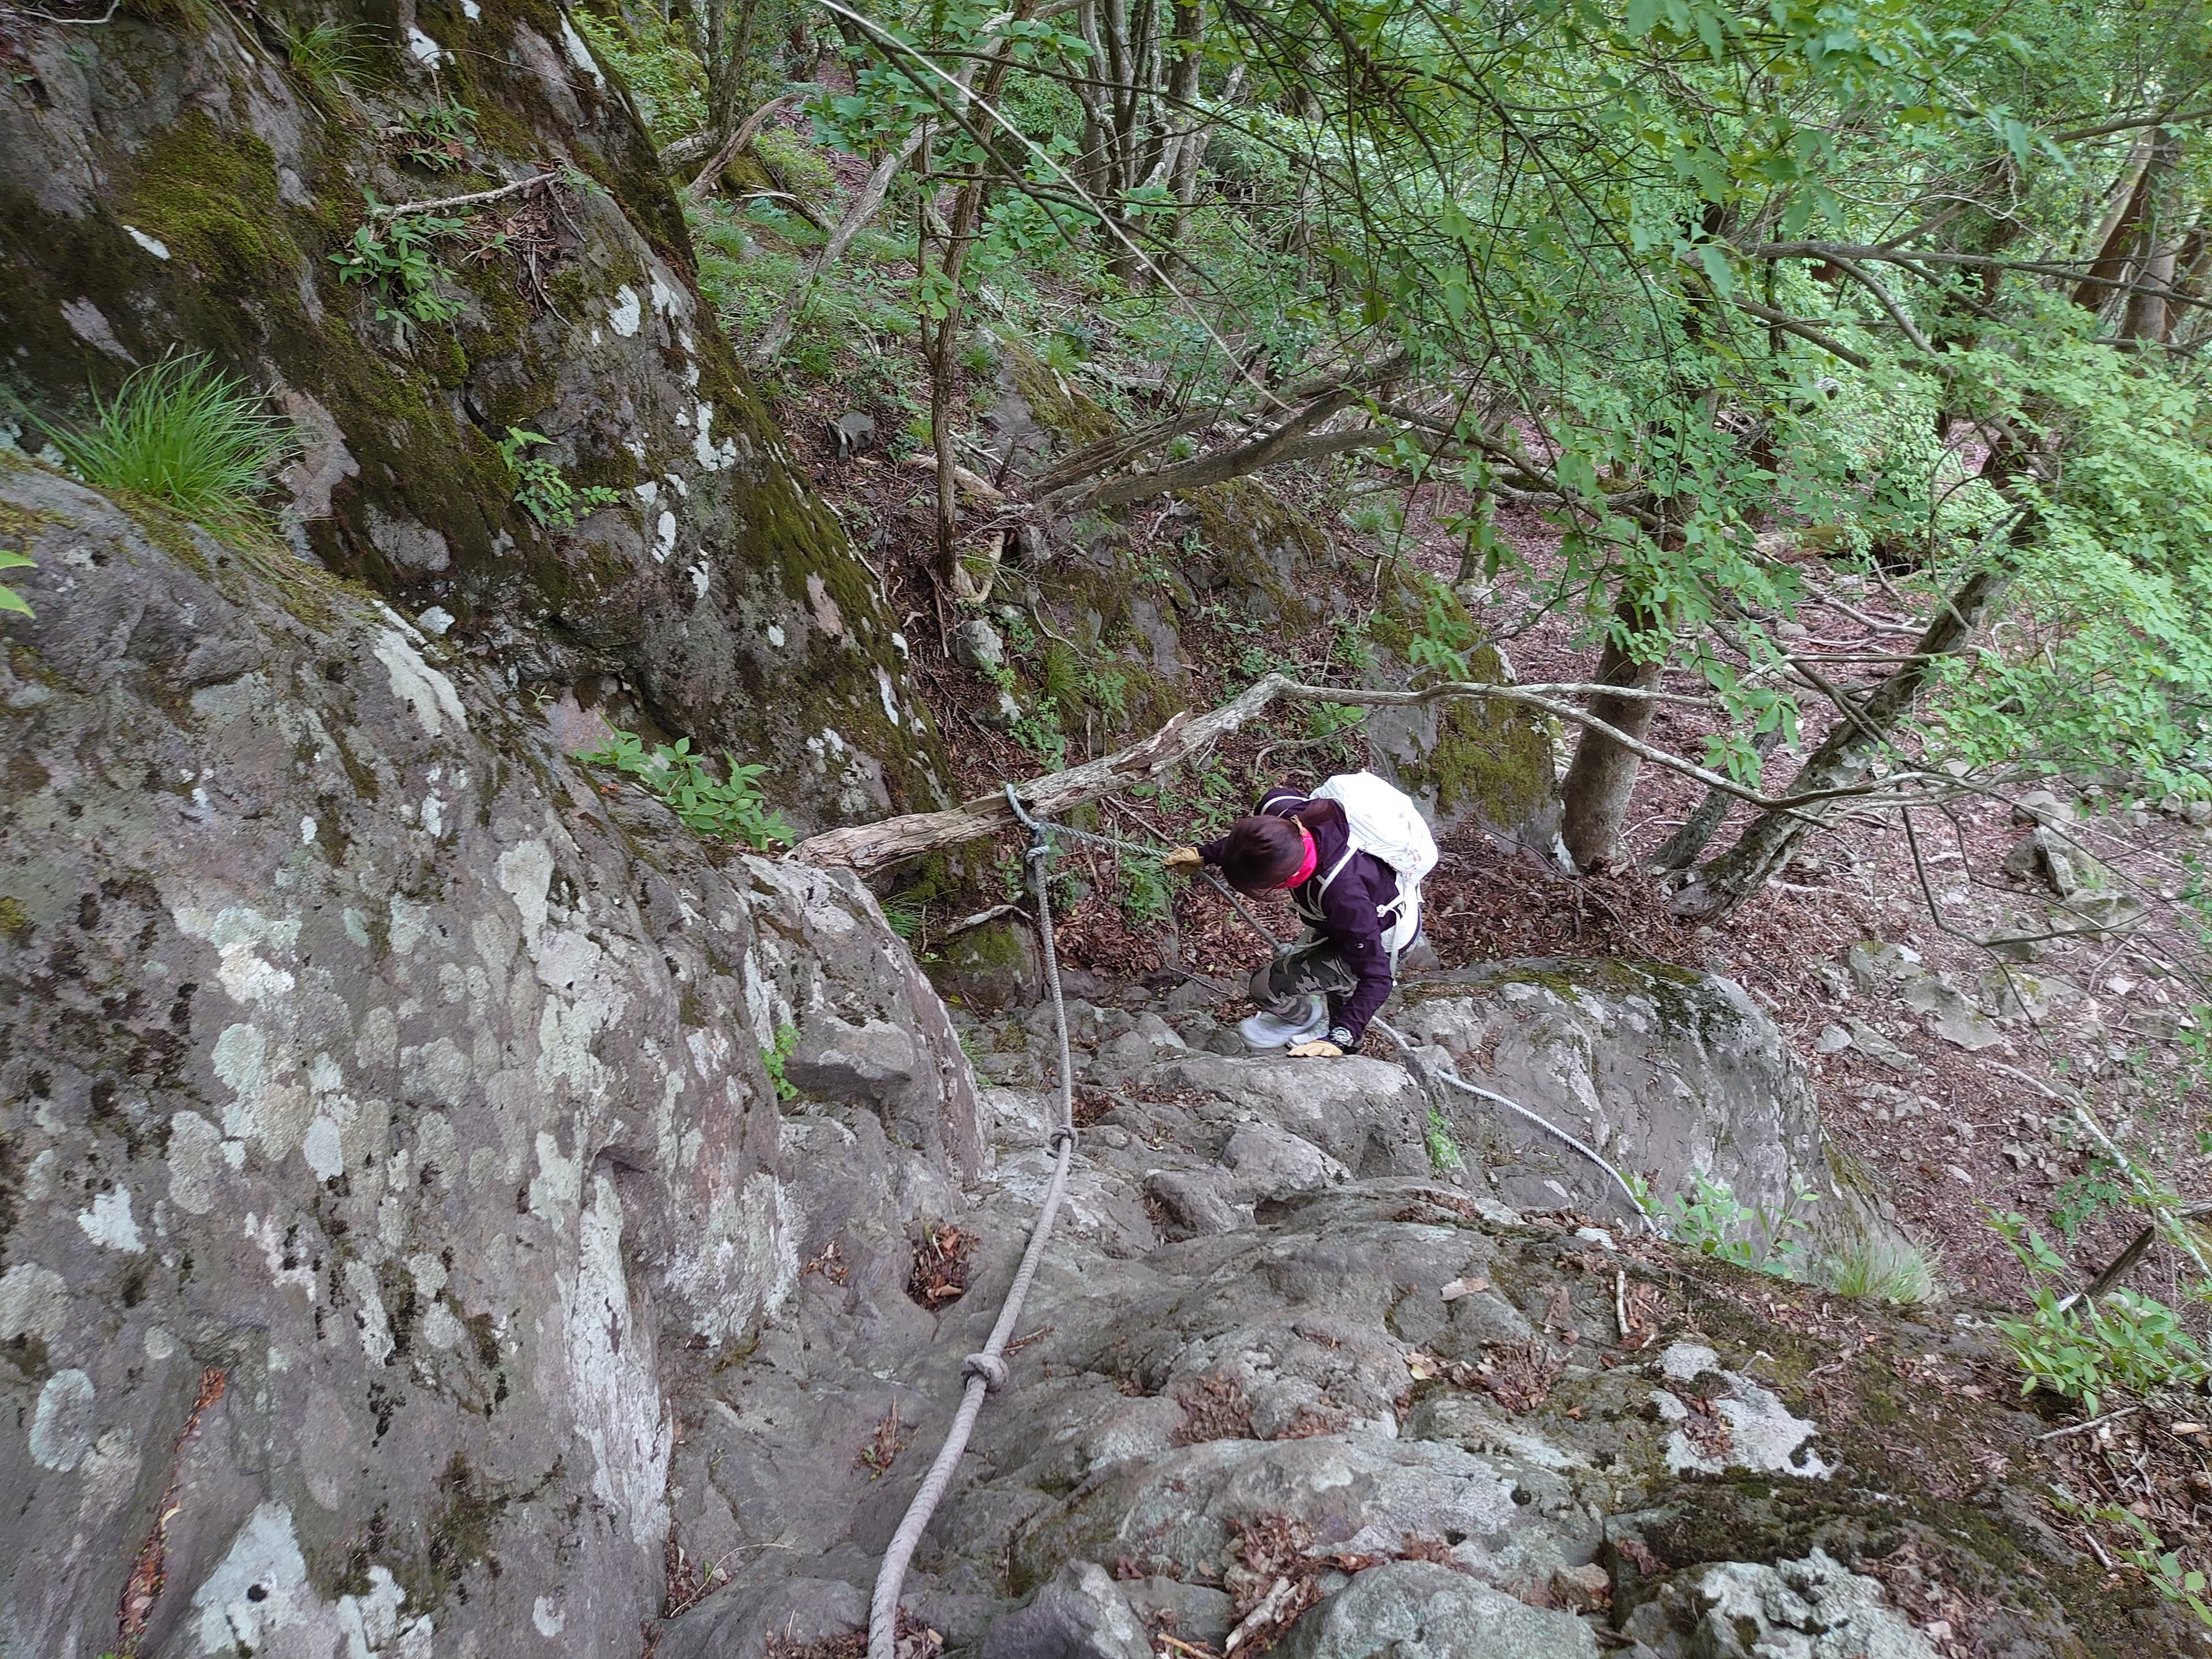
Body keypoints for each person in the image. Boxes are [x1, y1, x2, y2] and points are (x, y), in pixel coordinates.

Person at [1163, 778, 1426, 1058]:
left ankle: (1325, 1031)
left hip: (1382, 937)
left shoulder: (1344, 898)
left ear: (1287, 879)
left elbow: (1377, 975)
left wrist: (1341, 1036)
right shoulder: (1286, 815)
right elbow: (1254, 844)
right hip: (1350, 918)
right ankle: (1329, 1023)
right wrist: (1206, 854)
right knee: (1337, 984)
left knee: (1267, 987)